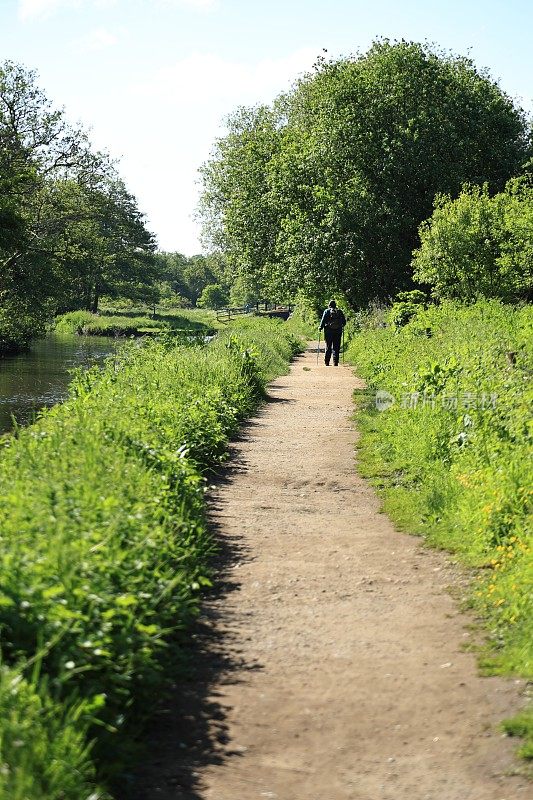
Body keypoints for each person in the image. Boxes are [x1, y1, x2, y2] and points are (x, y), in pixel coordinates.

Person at [319, 300, 346, 366]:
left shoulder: (327, 311)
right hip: (338, 331)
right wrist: (340, 326)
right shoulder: (339, 311)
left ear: (329, 305)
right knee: (336, 347)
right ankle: (335, 362)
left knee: (328, 346)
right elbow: (344, 322)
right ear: (335, 305)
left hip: (328, 331)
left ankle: (327, 362)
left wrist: (320, 328)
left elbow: (323, 321)